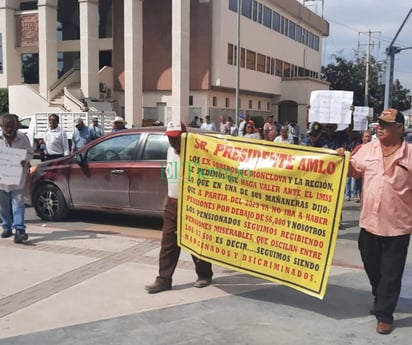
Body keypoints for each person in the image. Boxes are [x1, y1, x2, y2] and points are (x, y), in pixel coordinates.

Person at [340, 108, 412, 335]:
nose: (379, 127)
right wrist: (342, 159)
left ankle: (384, 314)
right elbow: (353, 171)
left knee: (391, 273)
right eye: (378, 123)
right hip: (369, 223)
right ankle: (380, 295)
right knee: (372, 265)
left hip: (398, 225)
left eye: (386, 124)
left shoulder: (410, 154)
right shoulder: (367, 150)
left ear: (400, 128)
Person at [145, 121, 213, 293]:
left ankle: (204, 274)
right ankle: (164, 279)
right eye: (170, 139)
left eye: (176, 139)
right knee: (168, 241)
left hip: (193, 203)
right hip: (173, 203)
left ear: (185, 137)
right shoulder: (169, 151)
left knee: (197, 239)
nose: (172, 143)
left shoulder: (197, 153)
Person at [0, 114, 34, 243]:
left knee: (18, 203)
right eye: (6, 126)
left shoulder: (22, 138)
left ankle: (19, 230)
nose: (9, 129)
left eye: (11, 126)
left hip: (17, 177)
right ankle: (6, 227)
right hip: (2, 178)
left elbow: (30, 152)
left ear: (16, 126)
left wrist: (25, 160)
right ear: (2, 126)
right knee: (3, 205)